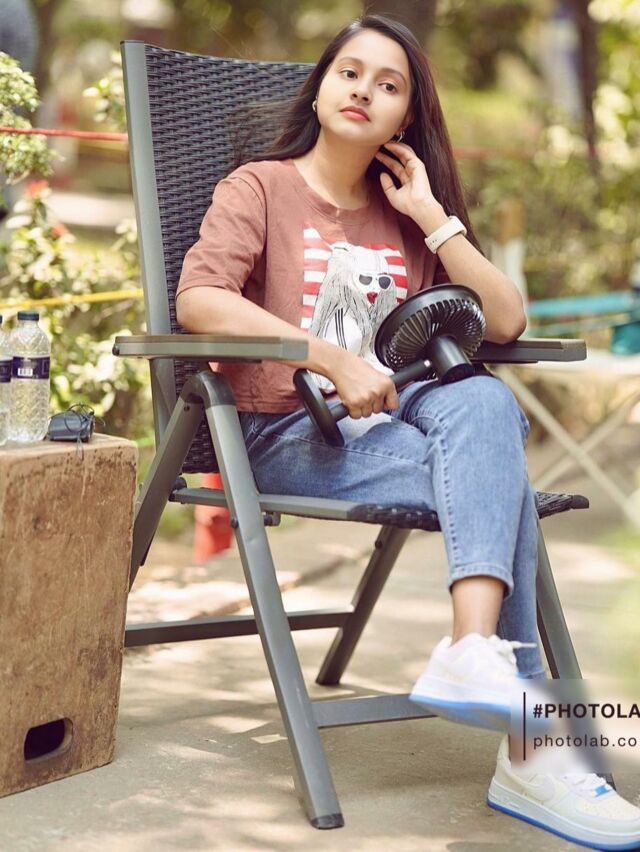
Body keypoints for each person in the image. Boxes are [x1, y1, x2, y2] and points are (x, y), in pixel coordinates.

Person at [175, 14, 640, 849]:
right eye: (349, 72)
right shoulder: (261, 187)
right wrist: (328, 357)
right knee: (497, 481)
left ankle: (472, 649)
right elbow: (200, 301)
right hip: (291, 430)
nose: (364, 91)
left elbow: (506, 319)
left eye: (388, 85)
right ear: (321, 87)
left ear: (406, 117)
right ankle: (533, 752)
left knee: (485, 405)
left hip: (407, 422)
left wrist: (432, 214)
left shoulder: (404, 217)